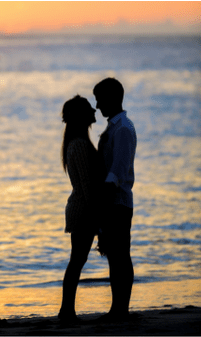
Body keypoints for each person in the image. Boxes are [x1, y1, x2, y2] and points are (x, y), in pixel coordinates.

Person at [94, 77, 137, 321]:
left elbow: (117, 172)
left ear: (111, 98)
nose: (97, 105)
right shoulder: (116, 126)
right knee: (115, 256)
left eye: (100, 99)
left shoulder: (122, 129)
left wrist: (103, 202)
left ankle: (121, 308)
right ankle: (117, 307)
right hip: (114, 201)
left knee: (121, 255)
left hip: (118, 202)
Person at [58, 95, 101, 323]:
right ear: (82, 116)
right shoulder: (81, 145)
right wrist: (99, 219)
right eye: (89, 109)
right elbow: (87, 187)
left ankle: (67, 310)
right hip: (83, 210)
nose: (95, 111)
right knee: (77, 261)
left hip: (80, 208)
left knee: (77, 260)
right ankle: (67, 311)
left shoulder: (75, 143)